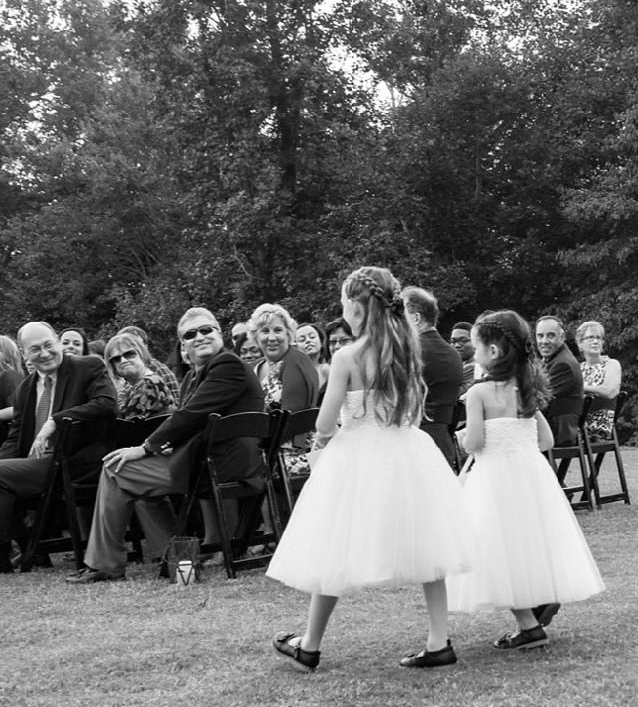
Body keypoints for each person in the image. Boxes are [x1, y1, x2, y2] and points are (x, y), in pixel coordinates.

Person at [267, 267, 475, 672]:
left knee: (334, 545)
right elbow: (413, 410)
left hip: (358, 452)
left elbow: (325, 423)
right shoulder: (406, 350)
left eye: (344, 299)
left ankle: (310, 644)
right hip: (408, 449)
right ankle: (438, 640)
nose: (341, 306)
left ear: (357, 306)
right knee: (429, 544)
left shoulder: (347, 356)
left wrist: (324, 443)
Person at [65, 306, 264, 584]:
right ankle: (172, 552)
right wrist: (169, 445)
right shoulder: (197, 374)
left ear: (220, 335)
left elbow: (190, 414)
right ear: (183, 344)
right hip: (210, 460)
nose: (200, 337)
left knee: (116, 470)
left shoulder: (227, 364)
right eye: (191, 334)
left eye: (207, 330)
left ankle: (106, 562)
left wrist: (146, 447)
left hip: (218, 466)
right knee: (126, 471)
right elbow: (197, 418)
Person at [446, 310, 605, 650]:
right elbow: (545, 441)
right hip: (530, 476)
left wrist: (461, 436)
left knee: (495, 550)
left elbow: (474, 444)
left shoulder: (478, 394)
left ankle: (529, 624)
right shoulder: (525, 389)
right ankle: (537, 604)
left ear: (492, 353)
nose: (473, 355)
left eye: (476, 347)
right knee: (526, 545)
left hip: (493, 479)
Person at [0, 322, 118, 577]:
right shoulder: (25, 389)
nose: (44, 353)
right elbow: (15, 437)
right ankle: (33, 548)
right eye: (35, 349)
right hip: (40, 466)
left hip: (77, 463)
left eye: (49, 345)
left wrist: (57, 420)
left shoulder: (88, 367)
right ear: (24, 353)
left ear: (57, 342)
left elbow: (107, 404)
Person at [246, 303, 320, 478]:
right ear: (255, 336)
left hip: (293, 454)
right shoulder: (253, 368)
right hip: (262, 452)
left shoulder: (296, 360)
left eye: (277, 330)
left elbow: (293, 415)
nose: (272, 337)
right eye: (265, 331)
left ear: (288, 333)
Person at [403, 286, 465, 468]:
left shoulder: (409, 351)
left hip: (415, 441)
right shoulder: (453, 353)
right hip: (444, 441)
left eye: (400, 315)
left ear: (415, 318)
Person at [104, 330, 181, 421]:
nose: (123, 361)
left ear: (142, 354)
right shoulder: (130, 387)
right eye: (116, 359)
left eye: (129, 354)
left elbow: (127, 426)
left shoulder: (150, 384)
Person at [536, 316, 584, 445]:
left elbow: (539, 400)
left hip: (557, 434)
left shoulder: (563, 365)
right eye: (540, 336)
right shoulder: (555, 360)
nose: (544, 341)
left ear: (562, 337)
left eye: (550, 336)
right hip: (553, 429)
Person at [576, 319, 622, 444]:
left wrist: (580, 387)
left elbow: (608, 392)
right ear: (580, 344)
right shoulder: (578, 368)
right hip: (577, 425)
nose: (595, 341)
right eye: (590, 337)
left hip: (598, 428)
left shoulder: (611, 365)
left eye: (598, 338)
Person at [449, 320, 478, 392]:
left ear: (475, 342)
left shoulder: (472, 368)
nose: (457, 345)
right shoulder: (458, 365)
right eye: (453, 341)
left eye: (463, 340)